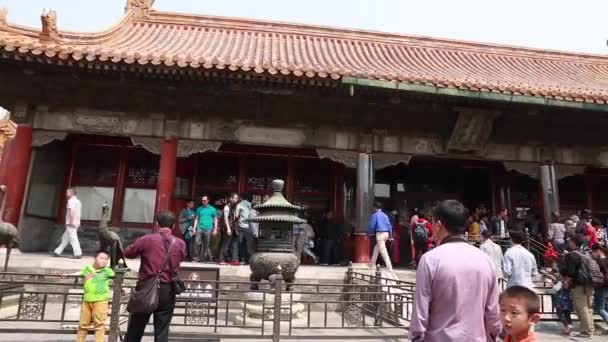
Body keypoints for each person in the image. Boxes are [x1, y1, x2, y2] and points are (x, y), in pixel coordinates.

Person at [410, 200, 501, 341]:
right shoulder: (485, 259)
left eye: (432, 223)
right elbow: (492, 310)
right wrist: (493, 334)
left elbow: (420, 311)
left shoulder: (430, 260)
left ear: (438, 225)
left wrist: (416, 337)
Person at [124, 210, 186, 342]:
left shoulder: (146, 240)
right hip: (168, 289)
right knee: (162, 330)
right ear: (173, 225)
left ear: (157, 224)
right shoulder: (180, 243)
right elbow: (181, 258)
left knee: (136, 328)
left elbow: (128, 253)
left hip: (147, 287)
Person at [76, 250, 114, 342]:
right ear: (95, 259)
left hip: (100, 301)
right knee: (83, 325)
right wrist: (67, 275)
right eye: (101, 258)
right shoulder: (88, 269)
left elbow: (118, 276)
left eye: (106, 259)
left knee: (99, 325)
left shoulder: (107, 271)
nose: (104, 261)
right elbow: (80, 273)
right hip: (87, 300)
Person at [562, 234, 595, 337]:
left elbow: (570, 272)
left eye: (570, 241)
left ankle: (586, 331)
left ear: (573, 242)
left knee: (582, 308)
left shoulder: (572, 255)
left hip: (579, 284)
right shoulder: (587, 253)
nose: (569, 243)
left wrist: (566, 282)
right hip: (590, 283)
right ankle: (590, 328)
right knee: (588, 307)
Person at [53, 188, 83, 259]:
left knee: (73, 238)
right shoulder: (78, 202)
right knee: (65, 238)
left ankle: (78, 253)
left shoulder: (71, 201)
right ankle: (57, 251)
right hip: (76, 222)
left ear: (72, 193)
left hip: (71, 222)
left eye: (67, 192)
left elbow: (71, 211)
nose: (66, 194)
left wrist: (71, 221)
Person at [367, 202, 393, 271]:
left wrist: (368, 234)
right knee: (377, 248)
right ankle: (372, 264)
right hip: (386, 233)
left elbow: (372, 226)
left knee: (383, 251)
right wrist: (390, 235)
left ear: (375, 207)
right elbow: (389, 225)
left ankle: (389, 266)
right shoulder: (385, 215)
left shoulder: (375, 215)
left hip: (380, 234)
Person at [192, 195, 218, 262]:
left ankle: (203, 257)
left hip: (208, 228)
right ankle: (196, 257)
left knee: (206, 244)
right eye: (202, 200)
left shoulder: (212, 209)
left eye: (204, 200)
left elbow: (215, 219)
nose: (203, 202)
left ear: (208, 201)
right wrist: (194, 228)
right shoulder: (199, 209)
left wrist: (215, 229)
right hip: (200, 227)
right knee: (197, 242)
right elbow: (196, 219)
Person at [550, 270, 574, 336]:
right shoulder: (571, 281)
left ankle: (567, 326)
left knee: (559, 314)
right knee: (567, 315)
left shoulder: (561, 281)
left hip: (561, 301)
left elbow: (556, 289)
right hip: (568, 300)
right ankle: (570, 328)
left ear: (562, 275)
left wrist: (552, 285)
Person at [219, 193, 240, 265]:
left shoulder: (234, 206)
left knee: (234, 244)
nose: (236, 199)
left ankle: (234, 259)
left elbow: (235, 217)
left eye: (237, 198)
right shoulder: (227, 207)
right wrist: (228, 228)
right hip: (229, 227)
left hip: (234, 227)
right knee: (226, 243)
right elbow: (225, 218)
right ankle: (221, 259)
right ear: (231, 198)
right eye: (235, 198)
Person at [236, 192, 256, 264]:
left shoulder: (239, 205)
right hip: (249, 227)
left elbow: (236, 216)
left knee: (240, 244)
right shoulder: (252, 206)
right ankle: (249, 259)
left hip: (241, 227)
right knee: (249, 244)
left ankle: (241, 259)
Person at [591, 245, 608, 324]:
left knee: (599, 308)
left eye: (593, 252)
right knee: (605, 306)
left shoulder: (600, 261)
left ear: (598, 250)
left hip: (601, 285)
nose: (592, 254)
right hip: (605, 285)